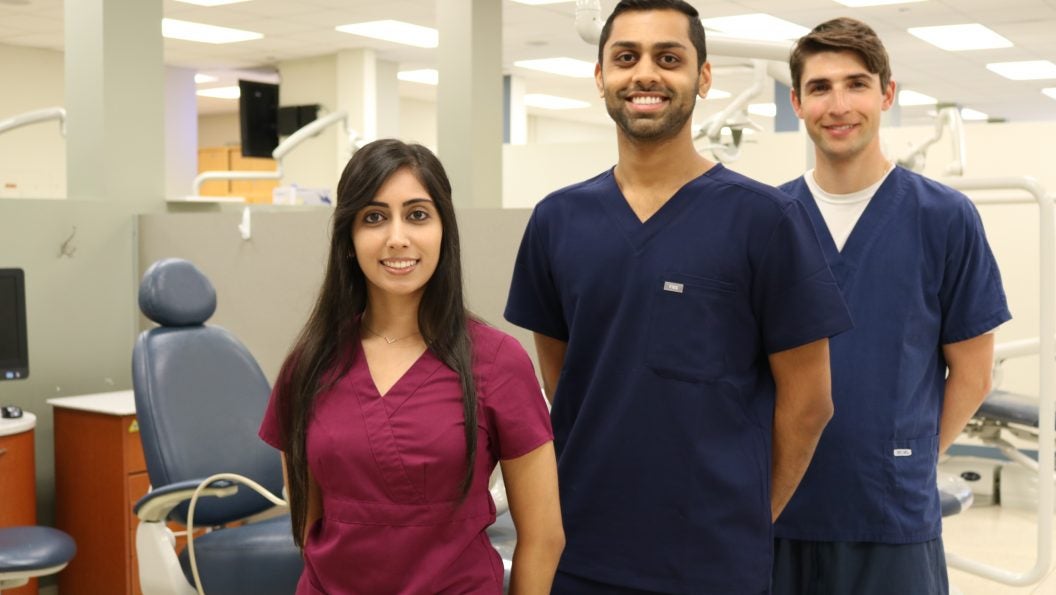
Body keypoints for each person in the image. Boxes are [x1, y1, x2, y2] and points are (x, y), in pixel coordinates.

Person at [504, 1, 854, 592]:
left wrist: (746, 517)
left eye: (669, 58)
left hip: (713, 561)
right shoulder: (557, 221)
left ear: (704, 77)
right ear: (600, 78)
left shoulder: (767, 220)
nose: (646, 74)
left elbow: (810, 402)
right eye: (625, 58)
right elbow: (565, 383)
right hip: (582, 551)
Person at [259, 139, 565, 594]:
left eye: (418, 214)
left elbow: (543, 538)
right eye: (374, 217)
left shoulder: (498, 362)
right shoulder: (310, 364)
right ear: (348, 238)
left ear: (444, 230)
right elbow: (307, 522)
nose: (397, 237)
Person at [772, 18, 1012, 595]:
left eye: (856, 84)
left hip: (892, 516)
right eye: (820, 88)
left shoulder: (944, 218)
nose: (839, 104)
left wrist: (907, 460)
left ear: (887, 94)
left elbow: (974, 373)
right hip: (779, 509)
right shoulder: (766, 220)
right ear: (797, 103)